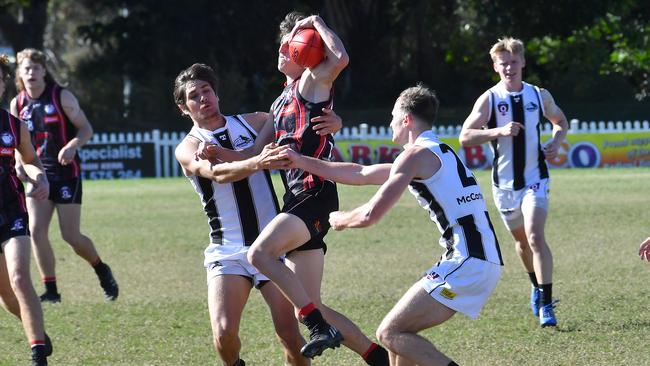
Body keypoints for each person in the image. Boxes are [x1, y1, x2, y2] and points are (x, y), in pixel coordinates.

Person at [196, 11, 390, 365]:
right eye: (282, 45)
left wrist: (315, 23)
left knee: (260, 255)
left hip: (314, 195)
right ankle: (375, 356)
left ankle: (316, 325)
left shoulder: (312, 83)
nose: (282, 51)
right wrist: (216, 153)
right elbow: (255, 153)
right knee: (314, 300)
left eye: (289, 45)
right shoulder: (281, 99)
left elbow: (341, 58)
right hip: (297, 198)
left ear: (303, 50)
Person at [276, 84, 503, 366]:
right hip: (476, 259)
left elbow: (371, 213)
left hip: (468, 261)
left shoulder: (415, 156)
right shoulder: (436, 151)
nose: (390, 122)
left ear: (406, 119)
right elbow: (361, 172)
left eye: (393, 116)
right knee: (399, 344)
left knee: (390, 332)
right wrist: (301, 161)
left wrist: (342, 219)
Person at [174, 63, 336, 366]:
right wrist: (258, 162)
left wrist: (334, 121)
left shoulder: (255, 122)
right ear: (184, 108)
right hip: (227, 251)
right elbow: (218, 174)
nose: (203, 98)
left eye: (206, 90)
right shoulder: (188, 147)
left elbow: (298, 114)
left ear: (216, 93)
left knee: (290, 336)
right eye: (194, 96)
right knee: (223, 335)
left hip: (269, 249)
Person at [459, 37, 568, 327]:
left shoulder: (537, 95)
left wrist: (556, 141)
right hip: (505, 185)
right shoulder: (490, 99)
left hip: (536, 177)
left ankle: (547, 303)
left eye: (514, 62)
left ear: (523, 63)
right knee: (521, 243)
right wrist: (497, 131)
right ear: (495, 67)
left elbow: (560, 120)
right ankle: (535, 284)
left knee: (535, 236)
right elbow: (465, 136)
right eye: (503, 63)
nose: (509, 68)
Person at [10, 48, 118, 303]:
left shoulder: (61, 97)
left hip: (66, 174)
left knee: (70, 236)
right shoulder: (18, 104)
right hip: (38, 175)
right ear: (20, 73)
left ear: (44, 71)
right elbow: (16, 141)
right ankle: (51, 291)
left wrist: (71, 146)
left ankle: (101, 268)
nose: (31, 72)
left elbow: (86, 128)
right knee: (36, 231)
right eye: (26, 68)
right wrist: (18, 164)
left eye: (36, 68)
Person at [0, 54, 52, 366]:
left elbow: (30, 160)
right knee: (7, 295)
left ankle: (37, 353)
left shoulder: (13, 125)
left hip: (12, 209)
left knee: (20, 278)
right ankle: (40, 332)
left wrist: (39, 177)